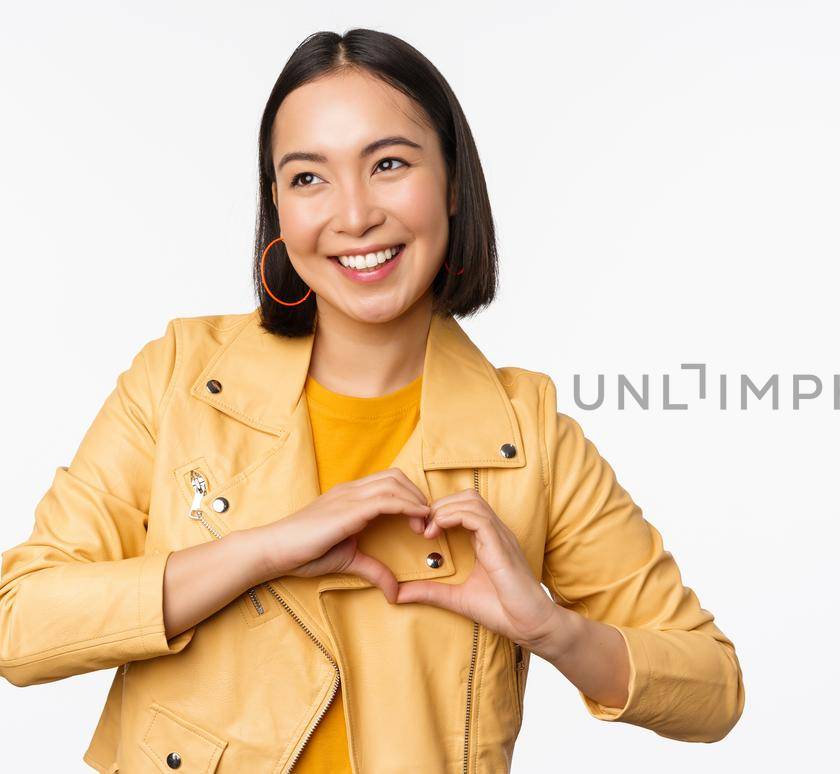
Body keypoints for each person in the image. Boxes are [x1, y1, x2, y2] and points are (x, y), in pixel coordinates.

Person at [0, 28, 744, 772]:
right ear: (279, 211)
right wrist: (263, 550)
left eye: (388, 164)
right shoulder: (179, 377)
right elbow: (19, 623)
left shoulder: (530, 436)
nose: (353, 216)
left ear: (452, 183)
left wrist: (551, 630)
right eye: (308, 177)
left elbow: (713, 688)